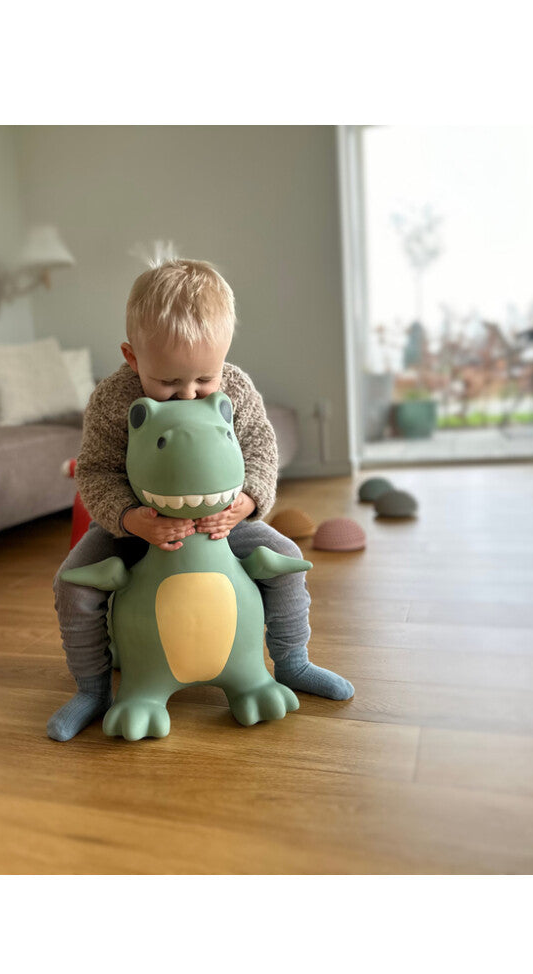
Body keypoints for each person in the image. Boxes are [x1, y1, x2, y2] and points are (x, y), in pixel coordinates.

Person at [47, 257, 353, 741]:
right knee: (72, 584)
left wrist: (248, 502)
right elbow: (96, 470)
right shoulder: (111, 399)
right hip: (135, 525)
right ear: (132, 357)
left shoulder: (237, 386)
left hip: (219, 522)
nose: (189, 394)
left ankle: (293, 661)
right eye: (169, 384)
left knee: (287, 558)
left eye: (203, 380)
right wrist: (131, 519)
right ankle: (92, 689)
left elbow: (261, 449)